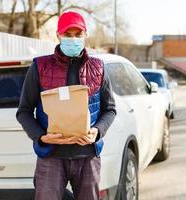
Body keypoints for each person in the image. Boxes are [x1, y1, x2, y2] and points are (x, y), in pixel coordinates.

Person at [16, 11, 116, 200]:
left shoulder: (98, 68)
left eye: (78, 35)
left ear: (85, 35)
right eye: (68, 35)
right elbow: (24, 112)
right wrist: (42, 137)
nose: (73, 39)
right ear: (58, 36)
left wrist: (97, 131)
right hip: (51, 156)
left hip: (88, 156)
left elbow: (110, 109)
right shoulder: (39, 67)